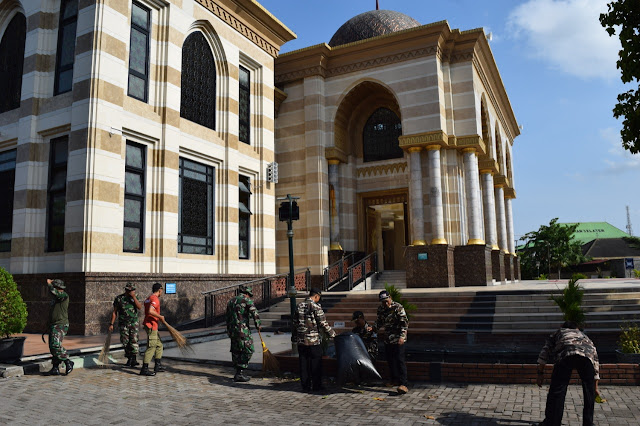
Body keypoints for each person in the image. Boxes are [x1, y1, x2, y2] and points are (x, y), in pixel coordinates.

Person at [537, 321, 601, 426]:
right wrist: (595, 388)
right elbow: (596, 363)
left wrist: (540, 373)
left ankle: (552, 422)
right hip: (587, 357)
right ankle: (588, 423)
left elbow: (545, 352)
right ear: (577, 328)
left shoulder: (558, 332)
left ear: (562, 326)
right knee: (589, 393)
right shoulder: (584, 336)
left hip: (566, 354)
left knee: (557, 390)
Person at [292, 288, 336, 392]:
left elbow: (294, 323)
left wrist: (294, 337)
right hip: (313, 340)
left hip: (301, 340)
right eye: (318, 298)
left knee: (303, 364)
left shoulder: (299, 306)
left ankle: (305, 386)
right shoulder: (316, 306)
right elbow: (322, 323)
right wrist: (333, 334)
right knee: (316, 364)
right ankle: (316, 385)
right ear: (316, 296)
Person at [374, 290, 409, 394]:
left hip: (398, 338)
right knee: (390, 360)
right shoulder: (381, 309)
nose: (385, 303)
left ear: (390, 298)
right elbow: (379, 321)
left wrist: (402, 337)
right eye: (382, 302)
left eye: (386, 301)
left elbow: (404, 323)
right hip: (388, 339)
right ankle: (394, 380)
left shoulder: (398, 307)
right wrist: (373, 329)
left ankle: (404, 384)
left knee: (400, 360)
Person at [225, 285, 262, 382]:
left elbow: (227, 317)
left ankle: (237, 373)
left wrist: (229, 330)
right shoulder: (246, 300)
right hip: (243, 330)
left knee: (236, 350)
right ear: (247, 293)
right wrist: (258, 324)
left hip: (233, 330)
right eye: (249, 295)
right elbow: (255, 313)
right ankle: (240, 371)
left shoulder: (231, 301)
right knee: (249, 349)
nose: (249, 296)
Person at [109, 282, 142, 367]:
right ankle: (129, 358)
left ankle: (133, 358)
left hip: (133, 323)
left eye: (133, 290)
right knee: (125, 341)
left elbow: (139, 307)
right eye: (130, 290)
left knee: (134, 340)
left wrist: (134, 297)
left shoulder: (135, 298)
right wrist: (111, 324)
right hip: (123, 323)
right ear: (126, 290)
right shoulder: (119, 298)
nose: (131, 292)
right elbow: (114, 312)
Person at [46, 279, 74, 376]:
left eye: (55, 287)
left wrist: (49, 284)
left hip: (60, 324)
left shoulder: (63, 296)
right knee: (52, 347)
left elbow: (55, 293)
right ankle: (55, 368)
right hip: (54, 324)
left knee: (55, 345)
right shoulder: (55, 298)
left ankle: (68, 361)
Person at [140, 283, 165, 376]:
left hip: (151, 325)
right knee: (151, 347)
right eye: (161, 290)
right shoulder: (155, 299)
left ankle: (157, 365)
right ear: (160, 290)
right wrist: (160, 317)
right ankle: (144, 369)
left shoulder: (148, 298)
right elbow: (151, 311)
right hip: (151, 325)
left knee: (159, 345)